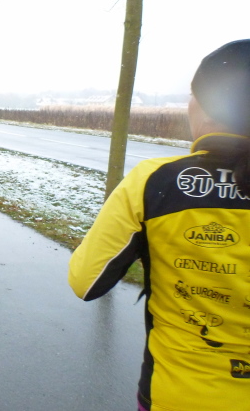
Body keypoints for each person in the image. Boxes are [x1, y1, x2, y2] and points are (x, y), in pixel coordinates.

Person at [69, 40, 250, 411]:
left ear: (207, 106)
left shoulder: (154, 181)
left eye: (192, 95)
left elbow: (84, 281)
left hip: (177, 394)